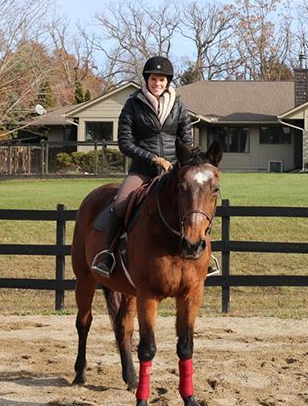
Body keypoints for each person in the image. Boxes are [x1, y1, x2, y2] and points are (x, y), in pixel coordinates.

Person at [90, 56, 220, 278]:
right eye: (153, 79)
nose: (157, 83)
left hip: (174, 170)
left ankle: (205, 257)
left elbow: (185, 140)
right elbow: (125, 143)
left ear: (167, 82)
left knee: (196, 203)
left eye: (161, 80)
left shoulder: (178, 106)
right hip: (142, 170)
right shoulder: (132, 105)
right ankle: (107, 255)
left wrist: (185, 162)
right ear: (147, 80)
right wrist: (153, 159)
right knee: (120, 204)